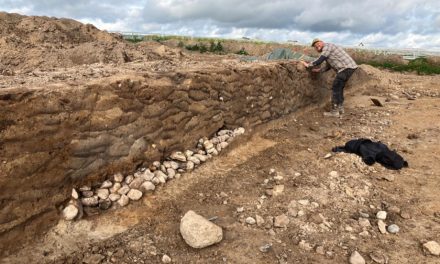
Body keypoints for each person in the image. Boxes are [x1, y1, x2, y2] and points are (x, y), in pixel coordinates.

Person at [301, 39, 358, 117]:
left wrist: (308, 65)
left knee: (335, 88)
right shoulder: (329, 50)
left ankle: (334, 112)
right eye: (315, 46)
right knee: (339, 88)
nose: (317, 46)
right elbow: (328, 66)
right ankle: (340, 108)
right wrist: (319, 70)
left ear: (322, 42)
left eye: (318, 44)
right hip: (349, 68)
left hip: (345, 68)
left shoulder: (327, 47)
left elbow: (320, 59)